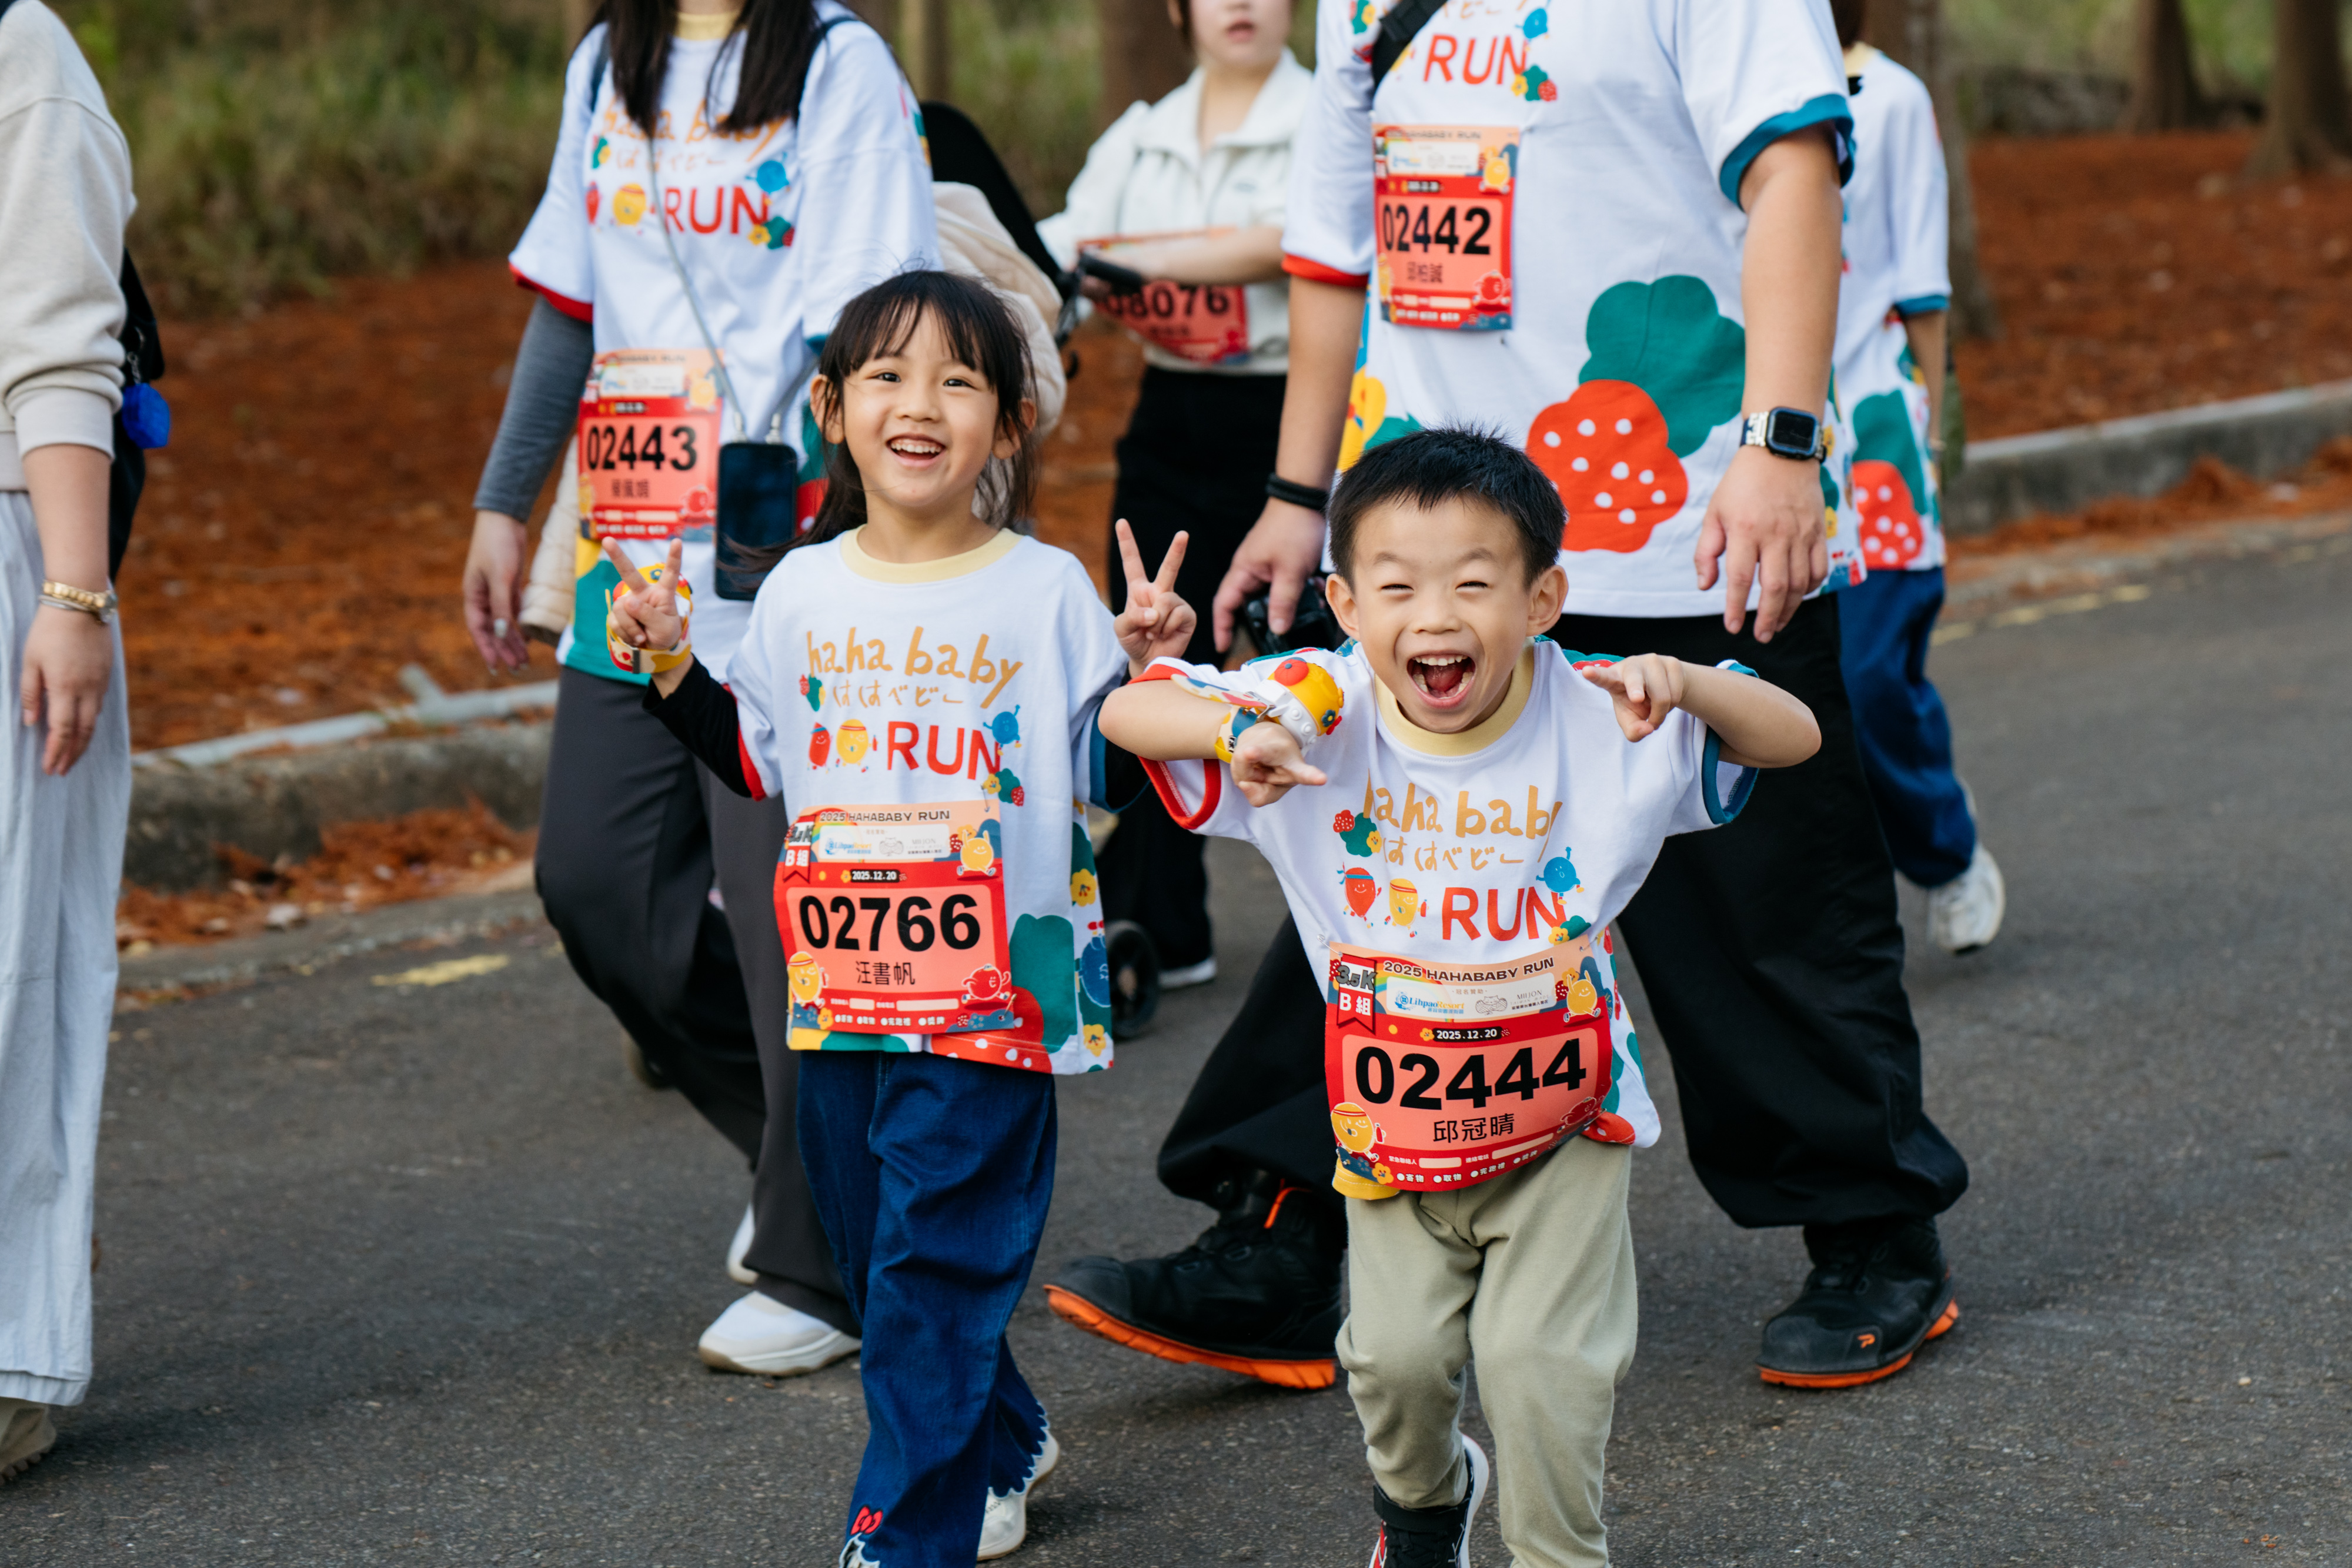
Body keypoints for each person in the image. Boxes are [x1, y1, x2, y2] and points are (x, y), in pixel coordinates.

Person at [1055, 0, 1973, 1396]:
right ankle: (1289, 1230)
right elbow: (1330, 250)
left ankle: (1866, 1225)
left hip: (1674, 509)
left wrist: (1781, 441)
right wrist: (1304, 496)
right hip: (1433, 536)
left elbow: (1792, 167)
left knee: (1763, 892)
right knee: (1376, 868)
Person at [1103, 428, 1822, 1565]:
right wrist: (1229, 723)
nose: (1434, 618)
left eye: (1473, 584)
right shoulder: (1313, 706)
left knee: (1546, 1371)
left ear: (1543, 599)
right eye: (1395, 586)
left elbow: (1795, 736)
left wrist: (1689, 683)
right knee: (1389, 1363)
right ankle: (1427, 1506)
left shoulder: (1597, 713)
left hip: (1563, 1115)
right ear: (1342, 601)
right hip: (1391, 1121)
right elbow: (1127, 718)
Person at [605, 270, 1189, 1565]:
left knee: (935, 1264)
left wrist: (1153, 671)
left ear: (1012, 421)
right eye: (885, 375)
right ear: (831, 405)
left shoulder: (1044, 591)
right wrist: (665, 667)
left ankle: (902, 1531)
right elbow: (757, 756)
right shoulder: (803, 589)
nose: (917, 405)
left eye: (957, 381)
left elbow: (1117, 764)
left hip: (990, 997)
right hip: (846, 989)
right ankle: (1000, 1436)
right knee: (880, 1257)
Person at [461, 0, 936, 1376]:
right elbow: (570, 305)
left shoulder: (837, 67)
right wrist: (507, 501)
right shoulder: (606, 64)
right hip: (629, 548)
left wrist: (857, 547)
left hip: (778, 549)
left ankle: (820, 1253)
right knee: (595, 882)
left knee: (793, 911)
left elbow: (879, 333)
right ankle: (822, 1161)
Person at [1035, 0, 1309, 986]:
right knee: (1157, 665)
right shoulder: (1142, 137)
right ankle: (1166, 922)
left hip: (1294, 422)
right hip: (1168, 420)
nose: (1241, 5)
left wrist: (1142, 260)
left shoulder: (1324, 119)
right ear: (1177, 9)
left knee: (1307, 674)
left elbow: (1293, 240)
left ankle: (1369, 916)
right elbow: (1063, 243)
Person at [0, 0, 135, 1482]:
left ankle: (11, 1355)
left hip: (15, 555)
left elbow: (56, 341)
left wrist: (72, 593)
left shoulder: (19, 49)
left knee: (14, 968)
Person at [1829, 0, 2004, 954]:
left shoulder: (1889, 99)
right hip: (1733, 446)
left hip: (1873, 432)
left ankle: (1945, 849)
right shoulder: (1705, 87)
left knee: (1870, 679)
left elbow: (1919, 282)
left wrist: (1928, 426)